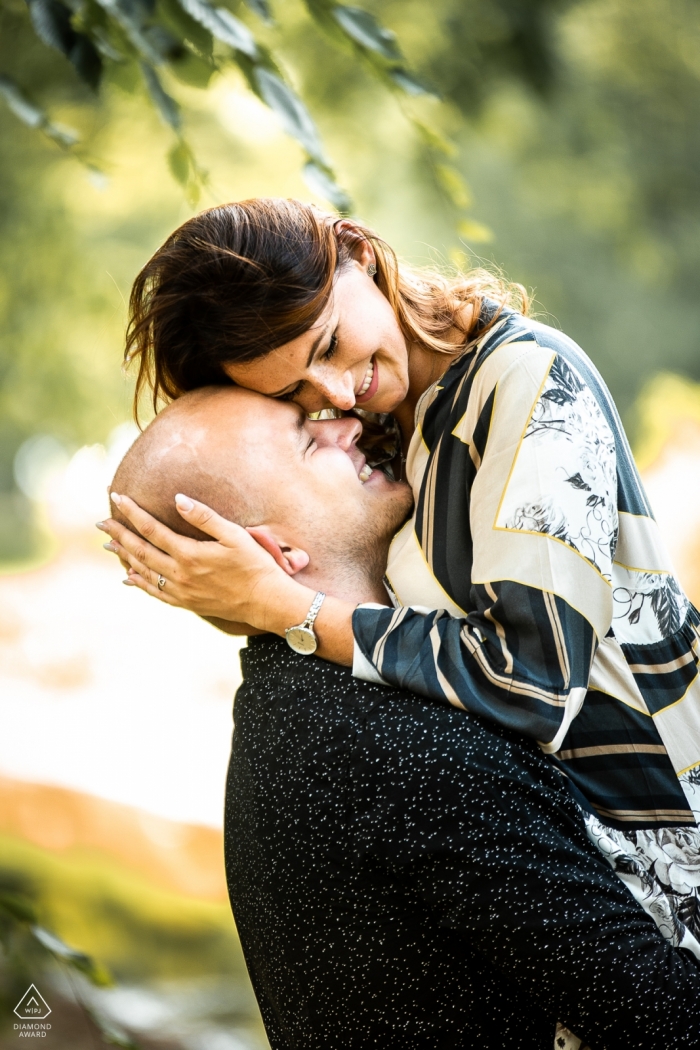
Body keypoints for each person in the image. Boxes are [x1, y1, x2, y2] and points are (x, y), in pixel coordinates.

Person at [102, 198, 700, 962]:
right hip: (567, 887)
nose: (338, 393)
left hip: (668, 865)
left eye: (329, 342)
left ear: (357, 250)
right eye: (295, 394)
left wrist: (288, 606)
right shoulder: (394, 429)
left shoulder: (525, 381)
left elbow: (534, 682)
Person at [104, 385, 700, 1048]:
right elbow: (667, 1022)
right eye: (311, 439)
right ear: (277, 552)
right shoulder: (395, 751)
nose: (350, 427)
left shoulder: (290, 706)